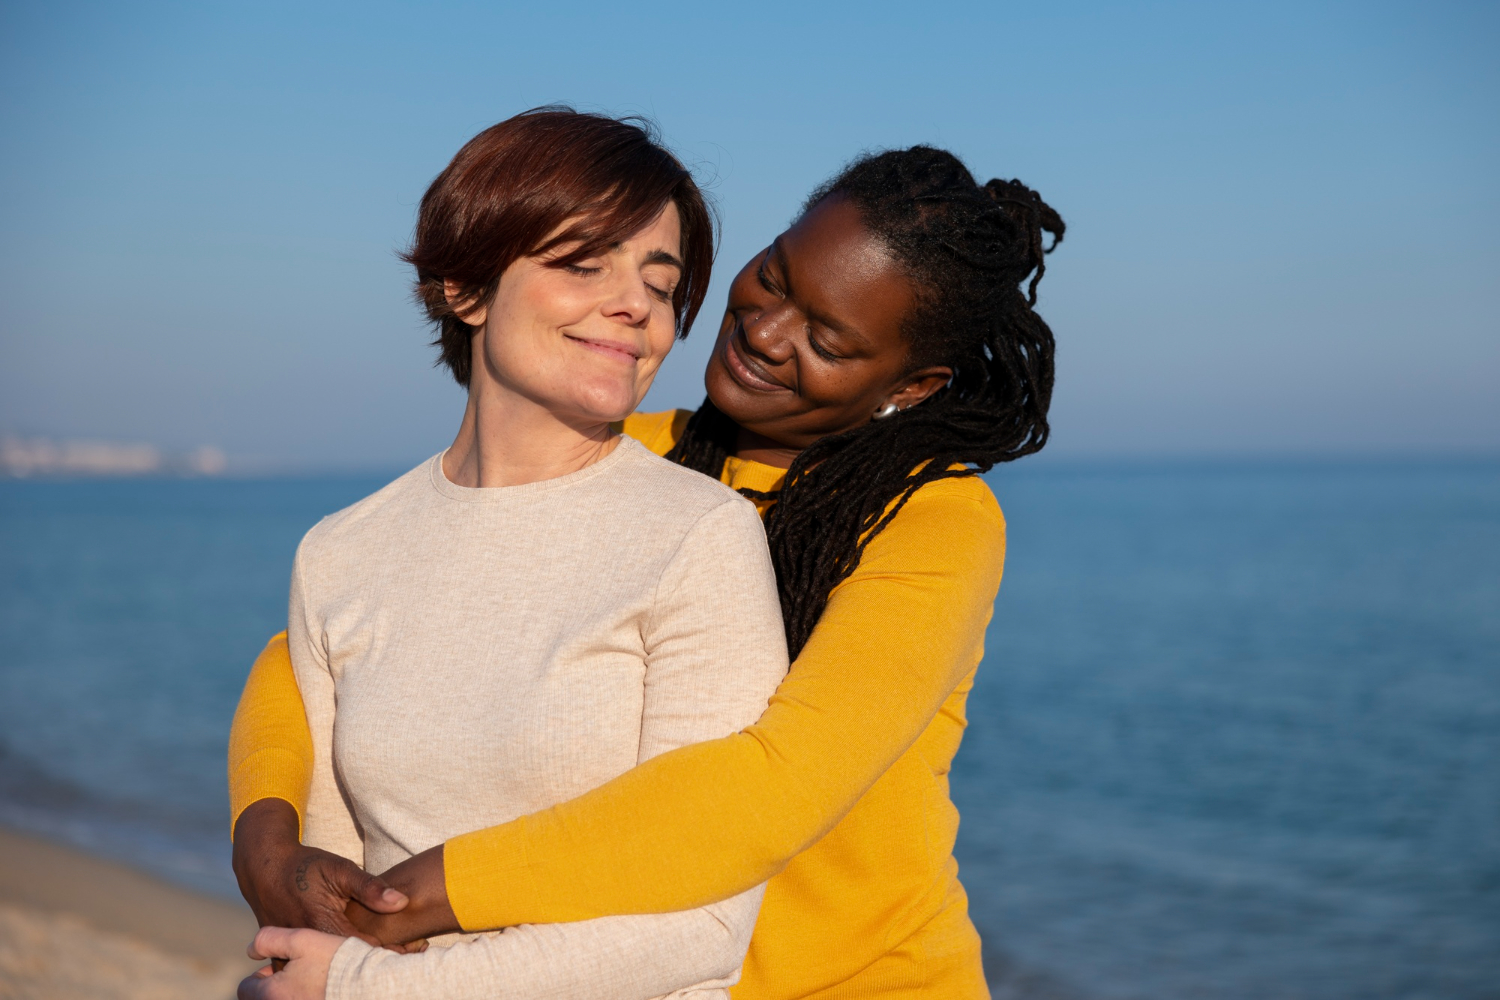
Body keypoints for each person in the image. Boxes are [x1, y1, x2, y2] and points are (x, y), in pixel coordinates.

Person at [230, 143, 1065, 998]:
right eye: (775, 278)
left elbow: (773, 784)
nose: (765, 333)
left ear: (914, 384)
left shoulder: (927, 518)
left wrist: (418, 898)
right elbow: (325, 643)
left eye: (826, 337)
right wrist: (265, 844)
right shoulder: (635, 449)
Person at [233, 107, 791, 1000]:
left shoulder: (701, 537)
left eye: (660, 280)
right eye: (584, 264)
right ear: (467, 286)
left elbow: (706, 924)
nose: (635, 305)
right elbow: (328, 880)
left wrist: (367, 989)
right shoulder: (340, 552)